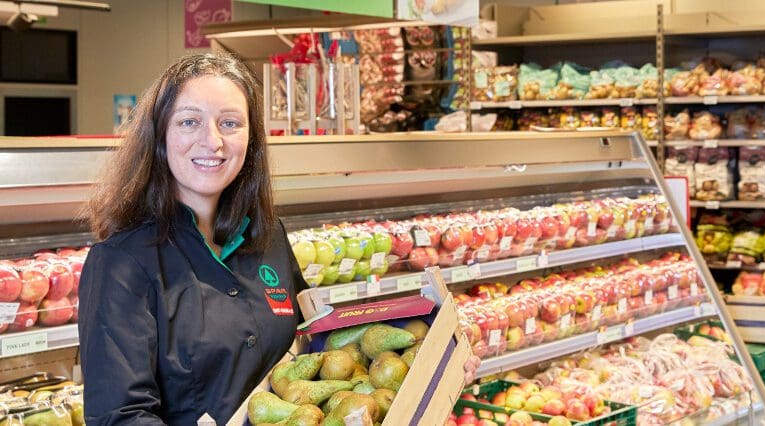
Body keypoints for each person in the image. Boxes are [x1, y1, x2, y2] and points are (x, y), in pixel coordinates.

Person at [79, 52, 479, 425]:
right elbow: (120, 416)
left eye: (230, 123)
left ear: (251, 140)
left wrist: (428, 364)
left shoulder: (267, 236)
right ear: (160, 135)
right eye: (189, 121)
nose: (213, 141)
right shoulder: (121, 263)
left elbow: (318, 349)